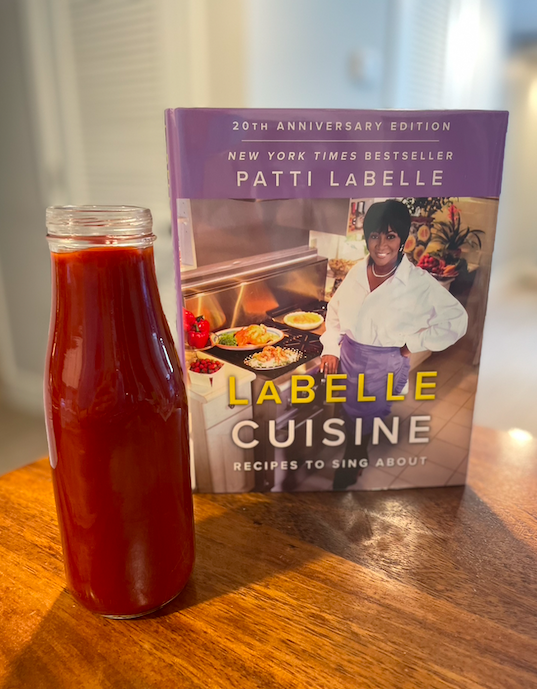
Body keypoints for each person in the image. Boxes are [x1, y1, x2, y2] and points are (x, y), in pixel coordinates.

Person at [320, 200, 468, 490]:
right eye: (375, 235)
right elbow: (335, 310)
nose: (381, 244)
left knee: (362, 417)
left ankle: (351, 462)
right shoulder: (356, 271)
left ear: (402, 239)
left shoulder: (416, 283)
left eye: (390, 236)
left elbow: (456, 320)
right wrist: (330, 347)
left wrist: (412, 343)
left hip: (382, 361)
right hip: (349, 356)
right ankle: (358, 451)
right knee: (350, 414)